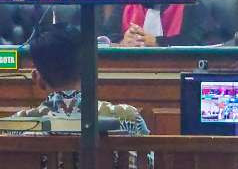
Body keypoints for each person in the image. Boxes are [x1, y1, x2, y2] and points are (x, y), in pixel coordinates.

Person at [15, 23, 149, 132]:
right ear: (90, 72)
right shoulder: (129, 118)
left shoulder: (16, 126)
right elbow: (148, 164)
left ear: (38, 79)